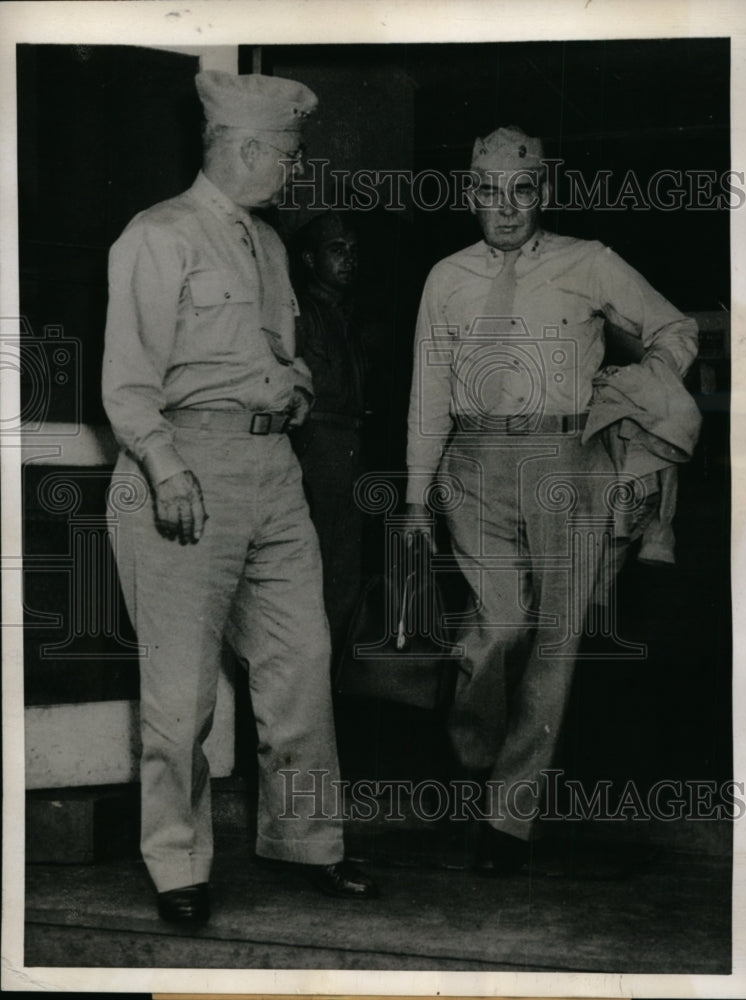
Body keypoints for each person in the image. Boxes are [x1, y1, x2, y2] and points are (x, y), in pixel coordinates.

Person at [102, 70, 376, 926]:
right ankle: (177, 863)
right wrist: (166, 469)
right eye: (289, 154)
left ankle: (307, 843)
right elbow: (126, 384)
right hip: (183, 470)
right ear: (248, 146)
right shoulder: (157, 236)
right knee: (182, 694)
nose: (296, 171)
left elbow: (275, 354)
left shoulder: (264, 244)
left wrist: (292, 388)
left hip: (273, 474)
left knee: (301, 666)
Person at [404, 126, 698, 870]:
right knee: (498, 627)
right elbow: (427, 396)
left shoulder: (588, 261)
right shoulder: (445, 277)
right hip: (471, 463)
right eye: (488, 191)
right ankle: (472, 751)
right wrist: (413, 498)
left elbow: (674, 327)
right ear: (469, 193)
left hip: (563, 460)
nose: (504, 207)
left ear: (544, 192)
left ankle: (508, 816)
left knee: (555, 644)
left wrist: (635, 390)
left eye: (522, 189)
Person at [290, 212, 365, 667]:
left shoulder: (343, 315)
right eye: (337, 250)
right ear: (309, 258)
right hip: (317, 451)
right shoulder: (302, 313)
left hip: (348, 453)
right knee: (315, 582)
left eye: (354, 251)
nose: (349, 260)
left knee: (343, 582)